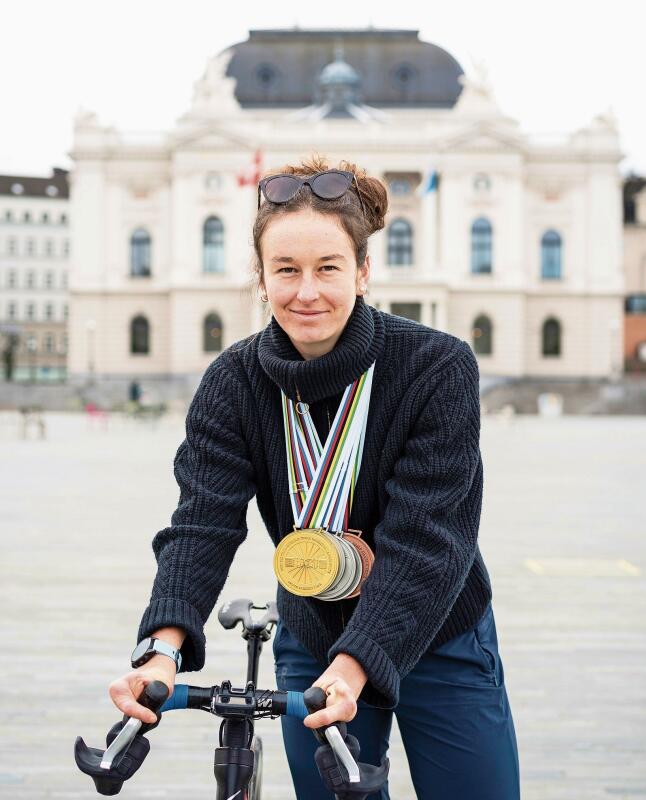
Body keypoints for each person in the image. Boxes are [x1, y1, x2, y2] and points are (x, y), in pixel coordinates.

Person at [108, 155, 520, 799]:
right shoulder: (234, 380)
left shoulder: (437, 366)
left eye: (328, 268)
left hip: (441, 631)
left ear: (362, 271)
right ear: (261, 278)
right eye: (287, 270)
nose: (307, 291)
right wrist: (160, 647)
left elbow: (428, 538)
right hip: (316, 633)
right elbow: (202, 524)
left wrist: (357, 666)